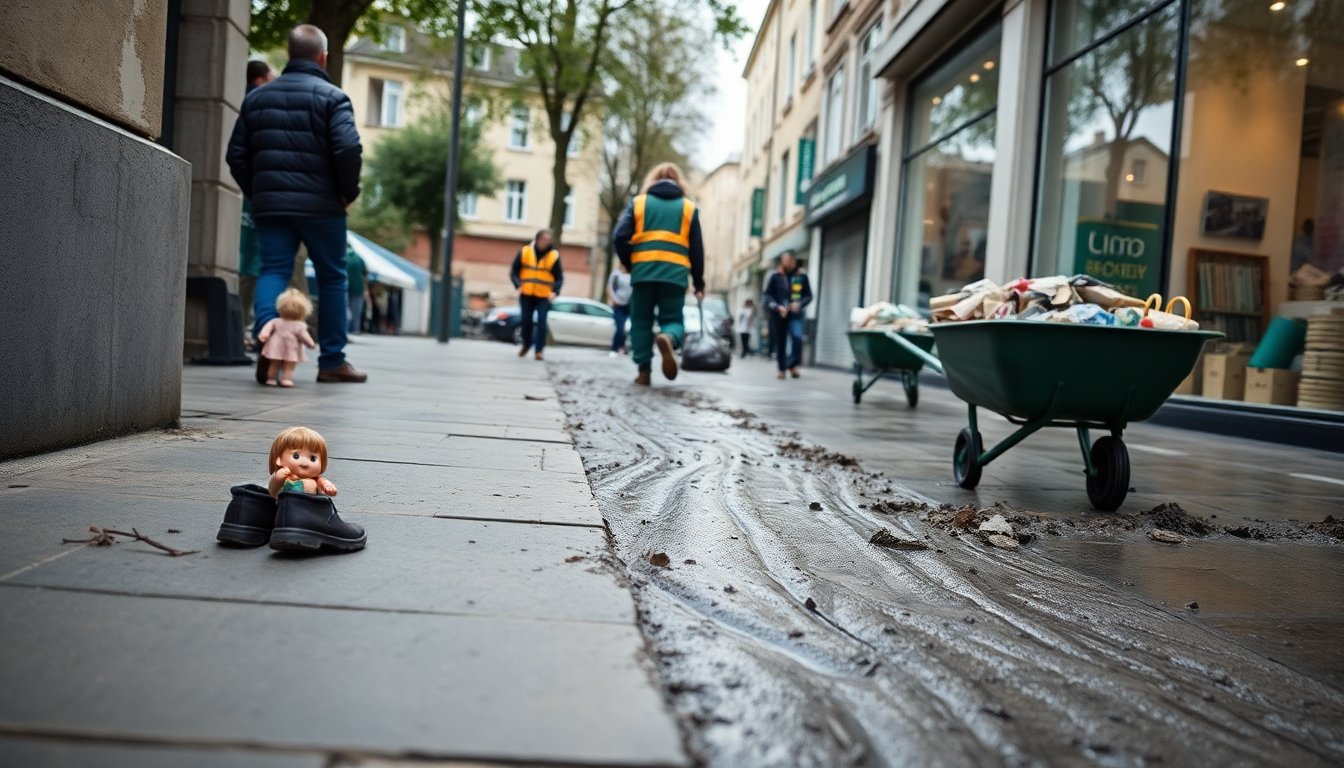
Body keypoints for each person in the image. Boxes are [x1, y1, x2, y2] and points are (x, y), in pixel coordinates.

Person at [226, 25, 367, 384]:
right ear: (323, 57)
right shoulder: (333, 97)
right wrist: (346, 193)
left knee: (272, 270)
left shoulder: (257, 98)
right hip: (323, 207)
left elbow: (236, 156)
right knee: (333, 277)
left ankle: (266, 344)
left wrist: (259, 193)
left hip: (271, 205)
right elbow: (348, 148)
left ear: (289, 55)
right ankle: (332, 361)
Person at [612, 162, 705, 386]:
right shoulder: (688, 208)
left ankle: (644, 371)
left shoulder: (639, 203)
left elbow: (619, 236)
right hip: (675, 274)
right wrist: (699, 282)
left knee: (641, 321)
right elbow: (697, 250)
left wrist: (628, 262)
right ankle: (668, 338)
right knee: (672, 319)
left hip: (643, 272)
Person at [238, 60, 276, 348]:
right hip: (258, 197)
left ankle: (248, 330)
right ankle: (253, 332)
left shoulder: (245, 99)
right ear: (262, 78)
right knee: (255, 265)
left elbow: (234, 155)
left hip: (252, 192)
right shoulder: (259, 102)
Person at [510, 229, 563, 361]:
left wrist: (554, 292)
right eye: (544, 240)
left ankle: (539, 351)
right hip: (526, 293)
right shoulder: (525, 252)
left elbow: (559, 278)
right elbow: (514, 272)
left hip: (544, 296)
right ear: (537, 239)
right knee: (526, 321)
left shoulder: (554, 255)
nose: (547, 242)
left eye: (549, 240)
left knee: (542, 322)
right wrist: (518, 285)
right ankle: (526, 344)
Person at [762, 251, 811, 379]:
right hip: (779, 315)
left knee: (797, 337)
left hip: (795, 314)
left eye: (790, 259)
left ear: (794, 260)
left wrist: (799, 303)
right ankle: (782, 369)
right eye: (785, 259)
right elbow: (767, 295)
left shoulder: (801, 277)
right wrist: (776, 306)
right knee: (781, 342)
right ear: (782, 261)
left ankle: (792, 364)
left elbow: (808, 295)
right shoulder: (775, 276)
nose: (788, 261)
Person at [607, 262, 632, 356]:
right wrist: (614, 299)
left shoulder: (633, 273)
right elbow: (609, 287)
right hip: (618, 304)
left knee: (628, 328)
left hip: (630, 304)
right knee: (620, 328)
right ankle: (614, 349)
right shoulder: (616, 274)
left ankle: (624, 347)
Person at [345, 245, 367, 334]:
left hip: (345, 287)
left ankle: (346, 329)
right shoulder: (360, 259)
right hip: (358, 288)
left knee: (345, 309)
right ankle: (355, 329)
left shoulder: (343, 257)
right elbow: (364, 276)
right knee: (356, 311)